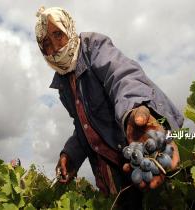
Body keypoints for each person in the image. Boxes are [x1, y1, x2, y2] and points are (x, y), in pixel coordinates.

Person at [35, 6, 183, 209]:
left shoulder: (93, 47)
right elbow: (83, 127)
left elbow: (122, 76)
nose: (55, 47)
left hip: (133, 162)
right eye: (46, 44)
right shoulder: (62, 85)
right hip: (110, 180)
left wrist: (133, 109)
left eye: (58, 34)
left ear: (69, 28)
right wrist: (69, 155)